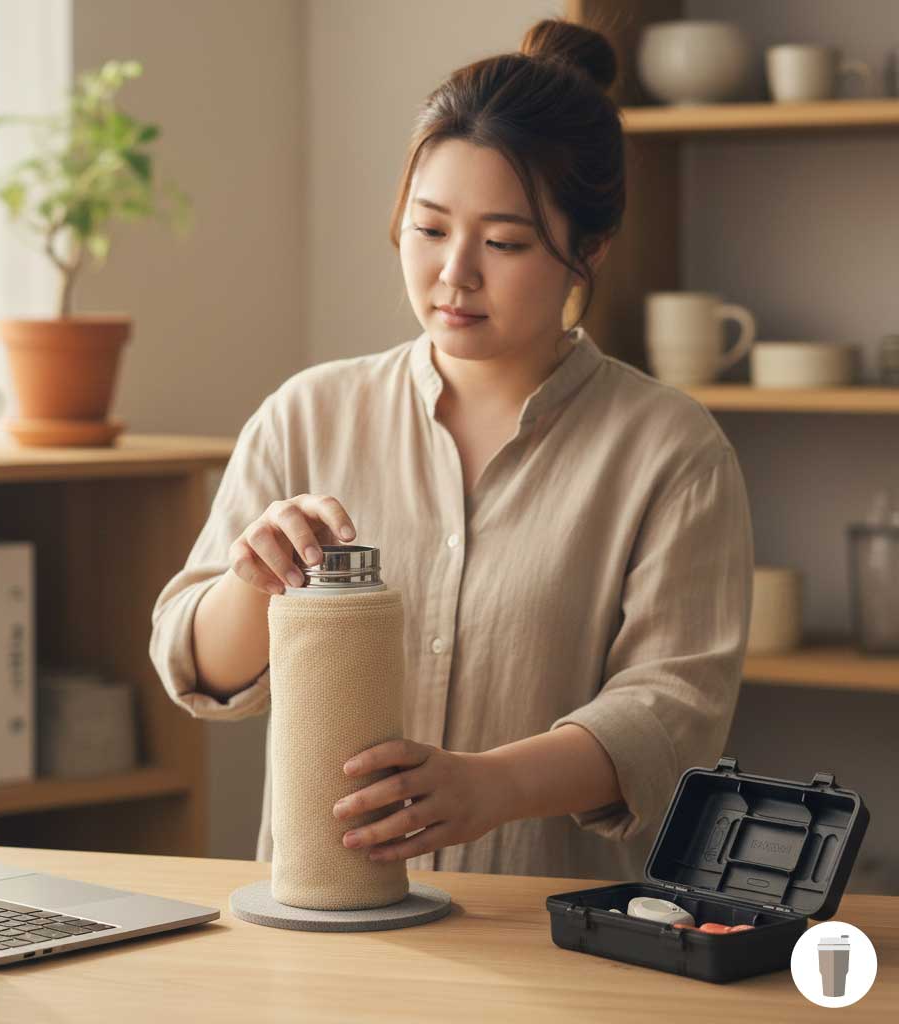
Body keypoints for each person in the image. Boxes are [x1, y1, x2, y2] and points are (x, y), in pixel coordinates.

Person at [149, 15, 754, 883]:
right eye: (429, 230)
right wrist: (253, 584)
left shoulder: (672, 451)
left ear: (590, 249)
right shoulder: (308, 414)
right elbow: (192, 663)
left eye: (504, 243)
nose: (453, 274)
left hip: (542, 940)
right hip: (326, 924)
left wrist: (489, 788)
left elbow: (674, 711)